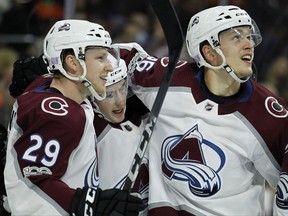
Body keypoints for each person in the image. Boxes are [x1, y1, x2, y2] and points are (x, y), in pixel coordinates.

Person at [115, 5, 288, 215]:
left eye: (249, 36)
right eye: (237, 37)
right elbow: (110, 57)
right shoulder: (167, 79)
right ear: (209, 52)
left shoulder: (268, 115)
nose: (249, 44)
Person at [3, 19, 145, 215]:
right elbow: (33, 182)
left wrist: (45, 62)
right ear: (72, 63)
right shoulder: (57, 114)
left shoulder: (50, 87)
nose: (109, 67)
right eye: (100, 58)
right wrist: (89, 203)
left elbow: (47, 74)